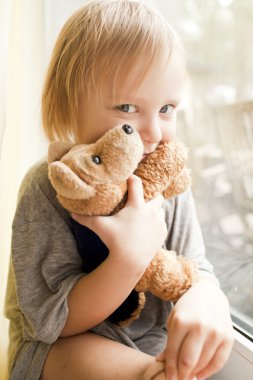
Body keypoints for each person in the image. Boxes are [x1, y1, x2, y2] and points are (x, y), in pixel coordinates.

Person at [4, 1, 234, 379]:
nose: (155, 134)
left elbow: (196, 268)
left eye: (167, 108)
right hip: (60, 348)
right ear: (68, 105)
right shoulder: (48, 187)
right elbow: (51, 323)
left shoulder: (167, 181)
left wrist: (207, 298)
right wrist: (129, 259)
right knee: (76, 353)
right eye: (127, 108)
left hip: (149, 346)